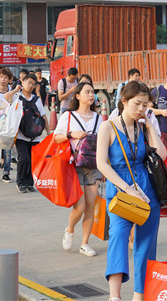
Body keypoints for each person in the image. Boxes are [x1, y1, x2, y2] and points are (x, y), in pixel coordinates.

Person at [96, 81, 166, 301]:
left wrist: (151, 128)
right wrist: (126, 188)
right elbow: (102, 164)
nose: (141, 109)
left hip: (146, 189)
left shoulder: (143, 126)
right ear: (124, 101)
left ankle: (140, 295)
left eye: (145, 105)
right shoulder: (108, 126)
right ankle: (114, 296)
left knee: (146, 243)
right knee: (118, 237)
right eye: (137, 103)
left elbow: (162, 156)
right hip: (120, 189)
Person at [55, 83, 105, 257]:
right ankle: (70, 229)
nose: (91, 95)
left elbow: (103, 143)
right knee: (80, 206)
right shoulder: (68, 116)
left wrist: (105, 167)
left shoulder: (98, 118)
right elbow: (55, 138)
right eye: (87, 92)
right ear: (78, 96)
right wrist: (71, 134)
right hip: (73, 166)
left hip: (93, 166)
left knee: (91, 205)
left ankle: (85, 243)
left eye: (93, 92)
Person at [15, 74, 48, 193]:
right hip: (21, 135)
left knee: (33, 160)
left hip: (35, 135)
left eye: (33, 84)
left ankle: (29, 183)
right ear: (22, 82)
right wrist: (15, 89)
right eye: (28, 82)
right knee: (24, 159)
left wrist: (48, 132)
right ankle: (20, 182)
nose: (30, 86)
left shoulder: (36, 99)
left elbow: (44, 116)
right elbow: (7, 99)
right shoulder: (16, 97)